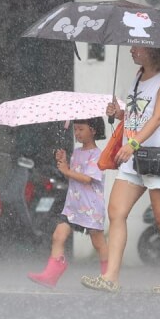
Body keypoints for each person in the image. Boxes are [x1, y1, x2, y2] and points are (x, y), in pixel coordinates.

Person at [80, 46, 160, 294]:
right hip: (133, 157)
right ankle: (111, 277)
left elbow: (158, 117)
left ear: (152, 50)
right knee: (116, 211)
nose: (131, 50)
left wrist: (133, 143)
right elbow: (136, 116)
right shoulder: (138, 77)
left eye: (137, 46)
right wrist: (119, 114)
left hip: (158, 156)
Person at [27, 117, 108, 288]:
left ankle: (108, 275)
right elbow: (71, 175)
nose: (77, 133)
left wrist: (67, 170)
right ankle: (52, 274)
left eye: (81, 129)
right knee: (58, 235)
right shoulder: (77, 153)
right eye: (75, 129)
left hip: (91, 206)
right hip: (73, 205)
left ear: (92, 131)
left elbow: (87, 178)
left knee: (98, 242)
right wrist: (63, 162)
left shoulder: (98, 155)